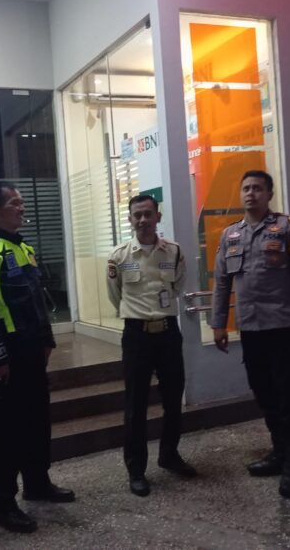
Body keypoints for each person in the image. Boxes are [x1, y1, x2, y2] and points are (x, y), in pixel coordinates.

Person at [0, 180, 74, 533]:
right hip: (7, 359)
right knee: (6, 435)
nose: (21, 207)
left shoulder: (24, 248)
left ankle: (37, 483)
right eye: (14, 203)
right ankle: (2, 504)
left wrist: (47, 342)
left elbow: (38, 302)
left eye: (22, 201)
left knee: (37, 423)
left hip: (32, 355)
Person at [210, 170, 290, 499]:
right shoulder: (230, 235)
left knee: (289, 395)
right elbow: (221, 282)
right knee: (263, 392)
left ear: (269, 194)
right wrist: (218, 323)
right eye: (246, 188)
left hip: (283, 327)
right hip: (251, 328)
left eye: (257, 188)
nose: (250, 193)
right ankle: (279, 452)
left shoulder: (287, 227)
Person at [106, 194, 197, 497]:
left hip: (168, 333)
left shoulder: (174, 251)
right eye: (137, 215)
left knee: (173, 398)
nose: (142, 220)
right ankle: (136, 469)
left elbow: (178, 285)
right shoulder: (119, 256)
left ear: (158, 216)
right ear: (130, 219)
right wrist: (138, 315)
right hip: (137, 336)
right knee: (136, 404)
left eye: (148, 214)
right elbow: (115, 295)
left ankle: (169, 455)